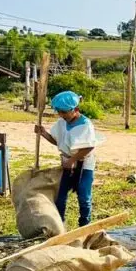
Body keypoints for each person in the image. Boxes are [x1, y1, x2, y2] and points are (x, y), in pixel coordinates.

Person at [35, 91, 99, 227]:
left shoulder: (85, 125)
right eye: (59, 112)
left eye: (64, 112)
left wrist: (72, 160)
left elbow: (88, 147)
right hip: (67, 164)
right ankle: (59, 224)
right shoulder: (61, 123)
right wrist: (44, 133)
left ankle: (84, 225)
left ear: (75, 110)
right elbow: (58, 141)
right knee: (61, 196)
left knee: (83, 196)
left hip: (84, 164)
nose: (61, 115)